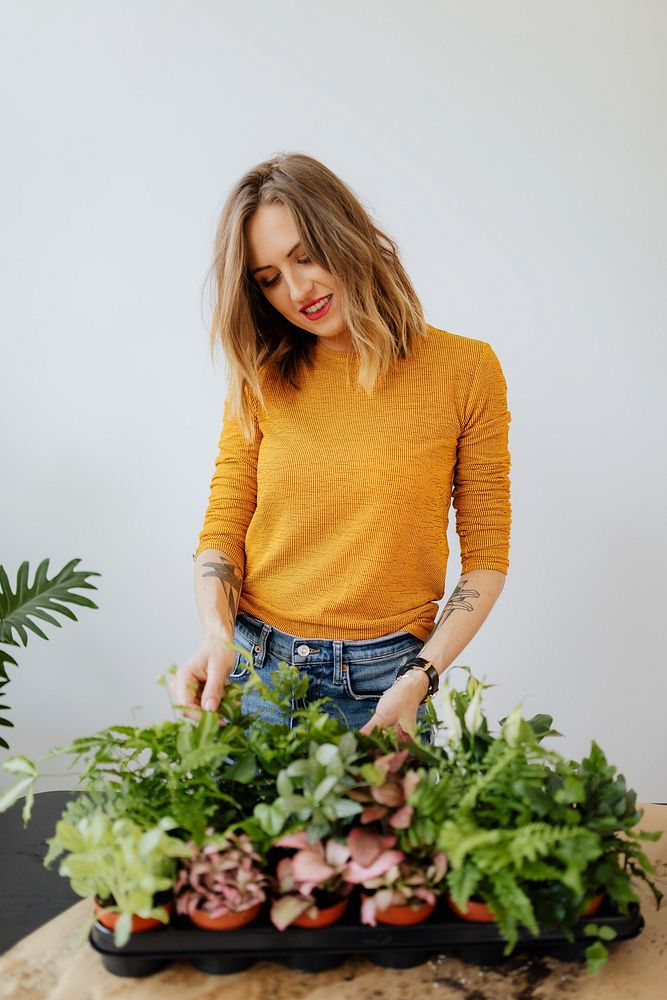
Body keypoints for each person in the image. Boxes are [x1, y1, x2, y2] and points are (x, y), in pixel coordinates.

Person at [171, 152, 511, 741]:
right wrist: (215, 635)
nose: (297, 289)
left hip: (387, 684)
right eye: (269, 278)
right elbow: (223, 529)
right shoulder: (261, 376)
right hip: (256, 671)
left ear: (344, 235)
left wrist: (420, 677)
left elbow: (485, 559)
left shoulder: (466, 371)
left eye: (305, 256)